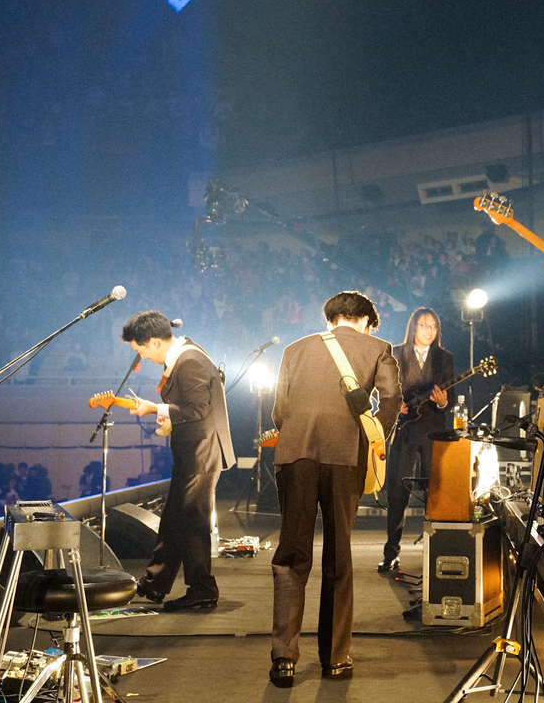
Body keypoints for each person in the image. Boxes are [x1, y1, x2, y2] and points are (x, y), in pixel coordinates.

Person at [268, 291, 402, 687]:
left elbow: (280, 409)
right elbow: (392, 398)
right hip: (345, 456)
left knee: (291, 554)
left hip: (295, 455)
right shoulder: (378, 348)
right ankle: (335, 658)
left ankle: (284, 658)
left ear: (332, 319)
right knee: (339, 556)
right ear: (364, 320)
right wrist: (376, 437)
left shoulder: (294, 349)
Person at [123, 310, 235, 611]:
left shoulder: (188, 362)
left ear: (155, 342)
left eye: (141, 350)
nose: (143, 358)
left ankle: (202, 590)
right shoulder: (187, 355)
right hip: (195, 449)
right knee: (175, 517)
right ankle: (156, 583)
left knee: (192, 521)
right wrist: (165, 415)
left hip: (201, 450)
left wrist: (155, 409)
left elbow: (198, 409)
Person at [378, 307, 454, 574]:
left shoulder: (444, 358)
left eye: (433, 326)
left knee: (436, 492)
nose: (429, 331)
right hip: (405, 432)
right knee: (398, 493)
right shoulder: (396, 354)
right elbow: (385, 391)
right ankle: (391, 553)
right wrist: (393, 405)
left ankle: (436, 553)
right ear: (413, 328)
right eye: (424, 325)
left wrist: (444, 403)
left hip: (433, 432)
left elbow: (450, 399)